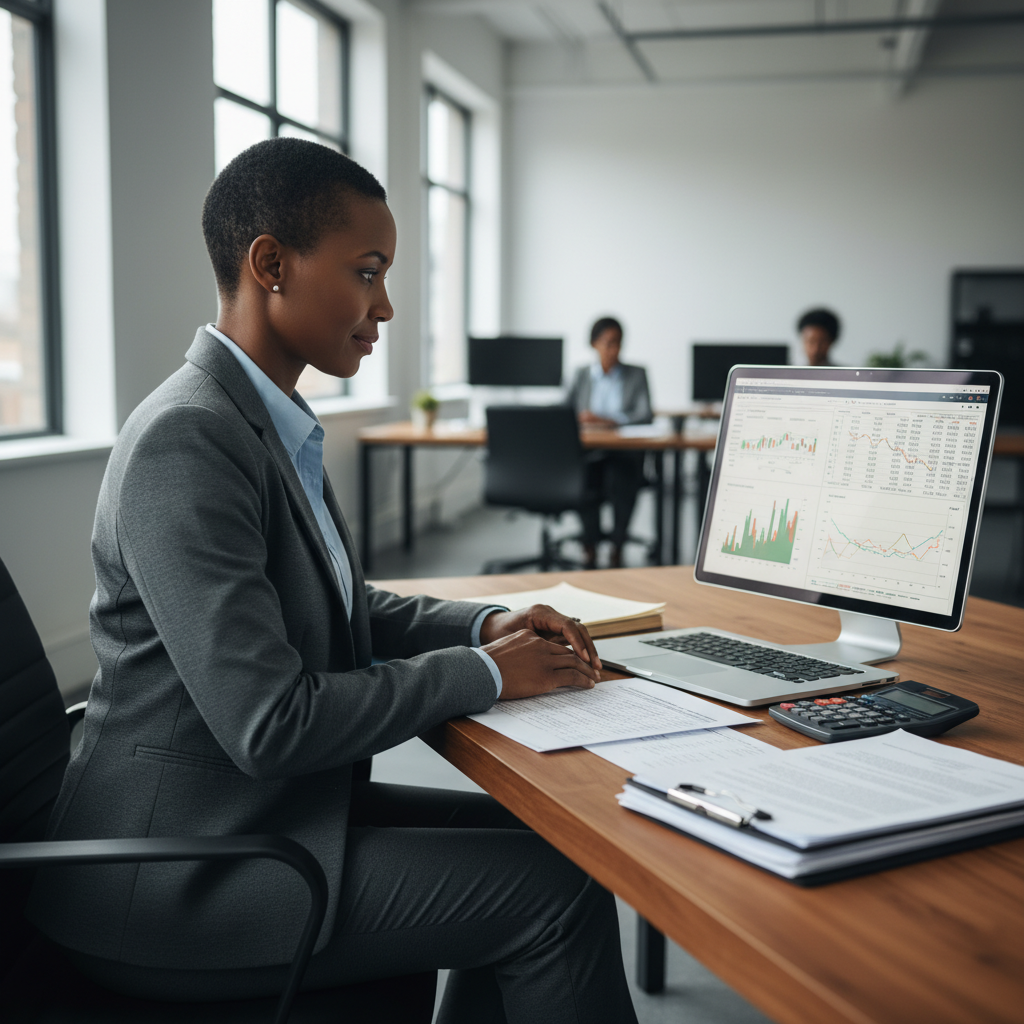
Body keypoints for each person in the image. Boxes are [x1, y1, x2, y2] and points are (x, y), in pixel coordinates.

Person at [28, 139, 637, 1024]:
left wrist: (485, 626)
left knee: (555, 845)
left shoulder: (266, 421)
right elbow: (271, 724)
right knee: (552, 896)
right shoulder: (188, 441)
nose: (384, 305)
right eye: (367, 271)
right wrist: (491, 676)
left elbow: (345, 608)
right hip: (173, 873)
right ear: (270, 264)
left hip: (254, 820)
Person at [565, 316, 652, 569]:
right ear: (594, 344)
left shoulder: (636, 374)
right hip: (588, 451)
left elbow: (644, 414)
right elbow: (564, 412)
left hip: (623, 451)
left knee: (622, 478)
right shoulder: (580, 375)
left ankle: (617, 544)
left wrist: (608, 420)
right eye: (608, 343)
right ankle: (589, 545)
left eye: (618, 343)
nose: (613, 349)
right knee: (584, 480)